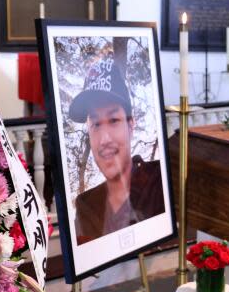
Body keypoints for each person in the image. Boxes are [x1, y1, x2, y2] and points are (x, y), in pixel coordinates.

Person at [70, 58, 163, 245]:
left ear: (131, 125)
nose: (104, 139)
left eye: (113, 120)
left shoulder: (159, 181)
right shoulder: (86, 205)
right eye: (95, 124)